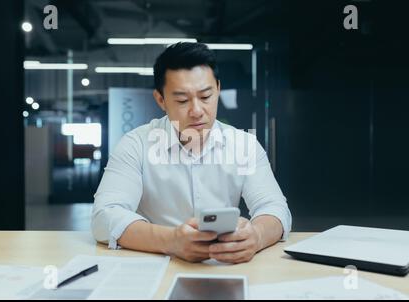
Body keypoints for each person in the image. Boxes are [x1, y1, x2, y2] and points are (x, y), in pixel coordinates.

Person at [91, 42, 291, 263]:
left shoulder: (244, 145)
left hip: (224, 267)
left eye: (206, 96)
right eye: (182, 100)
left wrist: (257, 236)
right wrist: (171, 241)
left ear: (218, 89)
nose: (197, 111)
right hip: (155, 264)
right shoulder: (136, 144)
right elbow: (104, 216)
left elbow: (275, 208)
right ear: (161, 100)